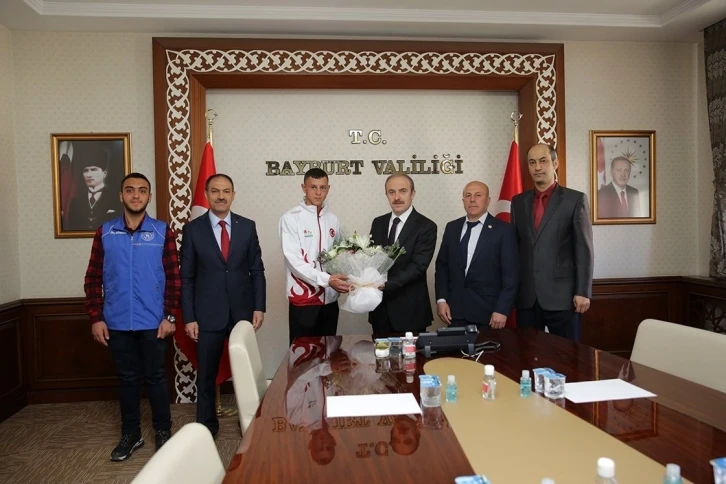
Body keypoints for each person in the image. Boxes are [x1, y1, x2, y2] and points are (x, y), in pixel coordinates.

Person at [84, 172, 180, 461]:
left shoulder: (162, 232)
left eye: (142, 190)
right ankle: (131, 434)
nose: (136, 195)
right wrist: (96, 317)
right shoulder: (105, 232)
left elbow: (174, 278)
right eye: (130, 190)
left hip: (154, 322)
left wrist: (170, 317)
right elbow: (93, 278)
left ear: (149, 196)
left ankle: (163, 431)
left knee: (157, 378)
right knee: (127, 380)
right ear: (121, 196)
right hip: (116, 322)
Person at [180, 173, 266, 438]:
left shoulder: (247, 227)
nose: (221, 196)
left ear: (233, 195)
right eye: (215, 191)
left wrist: (259, 307)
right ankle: (206, 428)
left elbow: (257, 270)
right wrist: (189, 317)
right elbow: (187, 277)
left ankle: (250, 423)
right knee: (206, 374)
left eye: (226, 191)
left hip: (242, 312)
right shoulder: (193, 230)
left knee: (246, 372)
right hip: (207, 314)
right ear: (207, 195)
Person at [511, 144, 594, 340]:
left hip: (564, 298)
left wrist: (583, 291)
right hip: (527, 298)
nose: (537, 167)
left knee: (568, 355)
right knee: (526, 353)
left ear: (555, 163)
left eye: (543, 161)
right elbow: (515, 248)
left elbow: (584, 249)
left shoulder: (575, 199)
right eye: (532, 163)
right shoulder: (518, 202)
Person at [279, 168, 349, 345]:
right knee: (303, 356)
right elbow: (294, 261)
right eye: (313, 187)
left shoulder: (333, 219)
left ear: (328, 189)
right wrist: (326, 279)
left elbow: (338, 256)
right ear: (304, 188)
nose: (318, 192)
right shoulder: (290, 218)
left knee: (329, 353)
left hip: (330, 301)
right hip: (304, 301)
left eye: (322, 188)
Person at [435, 181, 518, 329]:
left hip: (489, 314)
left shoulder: (504, 230)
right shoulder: (452, 227)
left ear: (488, 200)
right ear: (463, 200)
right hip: (455, 313)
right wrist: (441, 300)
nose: (472, 200)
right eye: (468, 195)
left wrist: (502, 309)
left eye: (478, 195)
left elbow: (511, 275)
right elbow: (442, 266)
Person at [368, 174, 437, 334]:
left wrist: (386, 284)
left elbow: (418, 266)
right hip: (380, 312)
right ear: (386, 194)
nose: (397, 197)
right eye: (391, 192)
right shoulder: (378, 222)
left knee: (412, 353)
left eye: (403, 191)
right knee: (379, 351)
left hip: (411, 312)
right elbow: (371, 259)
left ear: (412, 193)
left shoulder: (426, 226)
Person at [68, 143, 123, 231]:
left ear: (104, 173)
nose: (89, 175)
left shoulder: (116, 199)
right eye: (85, 170)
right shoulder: (75, 202)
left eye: (93, 170)